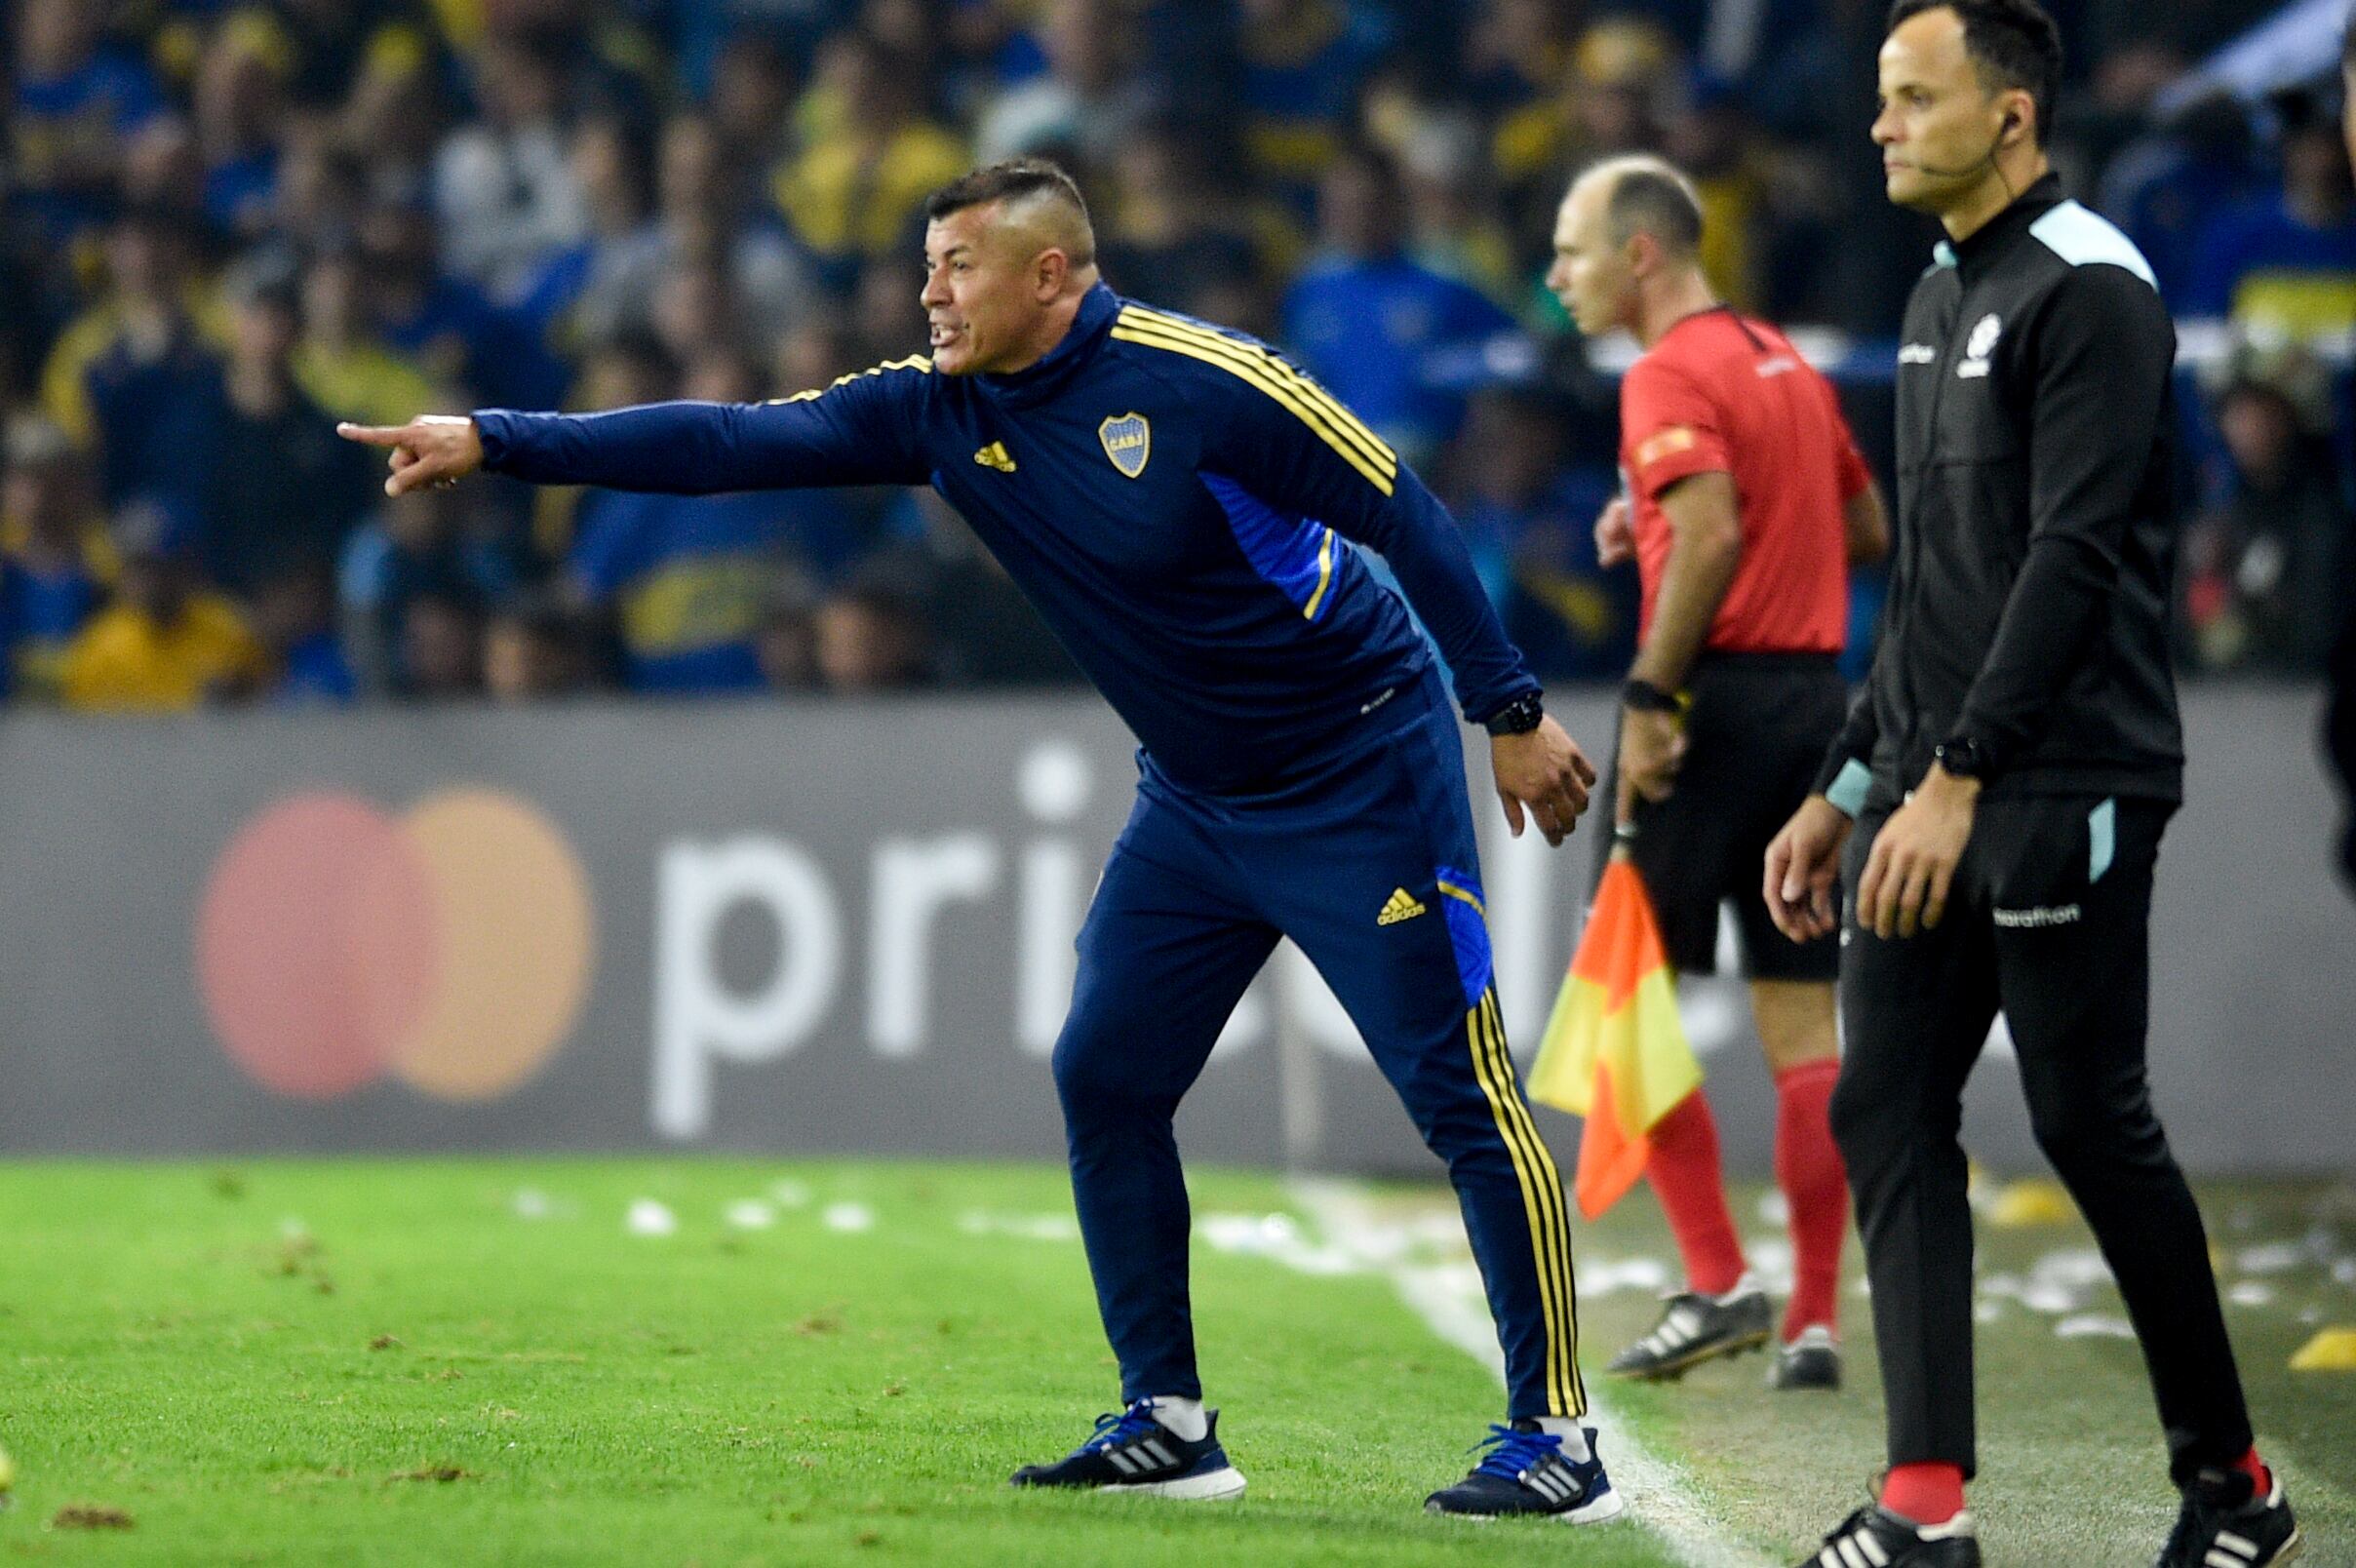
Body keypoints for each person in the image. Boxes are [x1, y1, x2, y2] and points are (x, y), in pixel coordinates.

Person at [341, 157, 1614, 1522]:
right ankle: (1168, 1419)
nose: (928, 291)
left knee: (1459, 1094)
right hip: (1193, 799)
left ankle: (1559, 1436)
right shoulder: (937, 413)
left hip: (1360, 769)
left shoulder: (1207, 382)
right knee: (1106, 1077)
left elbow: (1403, 510)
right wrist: (497, 436)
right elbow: (725, 445)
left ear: (1051, 275)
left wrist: (1510, 708)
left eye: (957, 266)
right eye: (925, 264)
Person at [1760, 5, 2301, 1565]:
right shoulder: (1939, 296)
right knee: (1887, 1101)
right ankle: (1926, 1507)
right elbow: (1936, 582)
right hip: (1939, 776)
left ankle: (2235, 1487)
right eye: (1878, 100)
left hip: (2063, 775)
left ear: (2010, 117)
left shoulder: (2096, 288)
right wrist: (1853, 779)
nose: (1880, 127)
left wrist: (1960, 780)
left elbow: (2068, 563)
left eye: (1913, 100)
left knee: (2084, 1116)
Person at [1545, 153, 1887, 1393]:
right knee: (1802, 1019)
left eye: (1572, 250)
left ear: (1640, 252)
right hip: (1811, 708)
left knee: (1619, 999)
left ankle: (1713, 1279)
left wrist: (1647, 696)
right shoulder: (1782, 361)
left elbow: (1712, 533)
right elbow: (1860, 529)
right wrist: (1657, 523)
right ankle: (1809, 1322)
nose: (1555, 277)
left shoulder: (1663, 372)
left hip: (1706, 709)